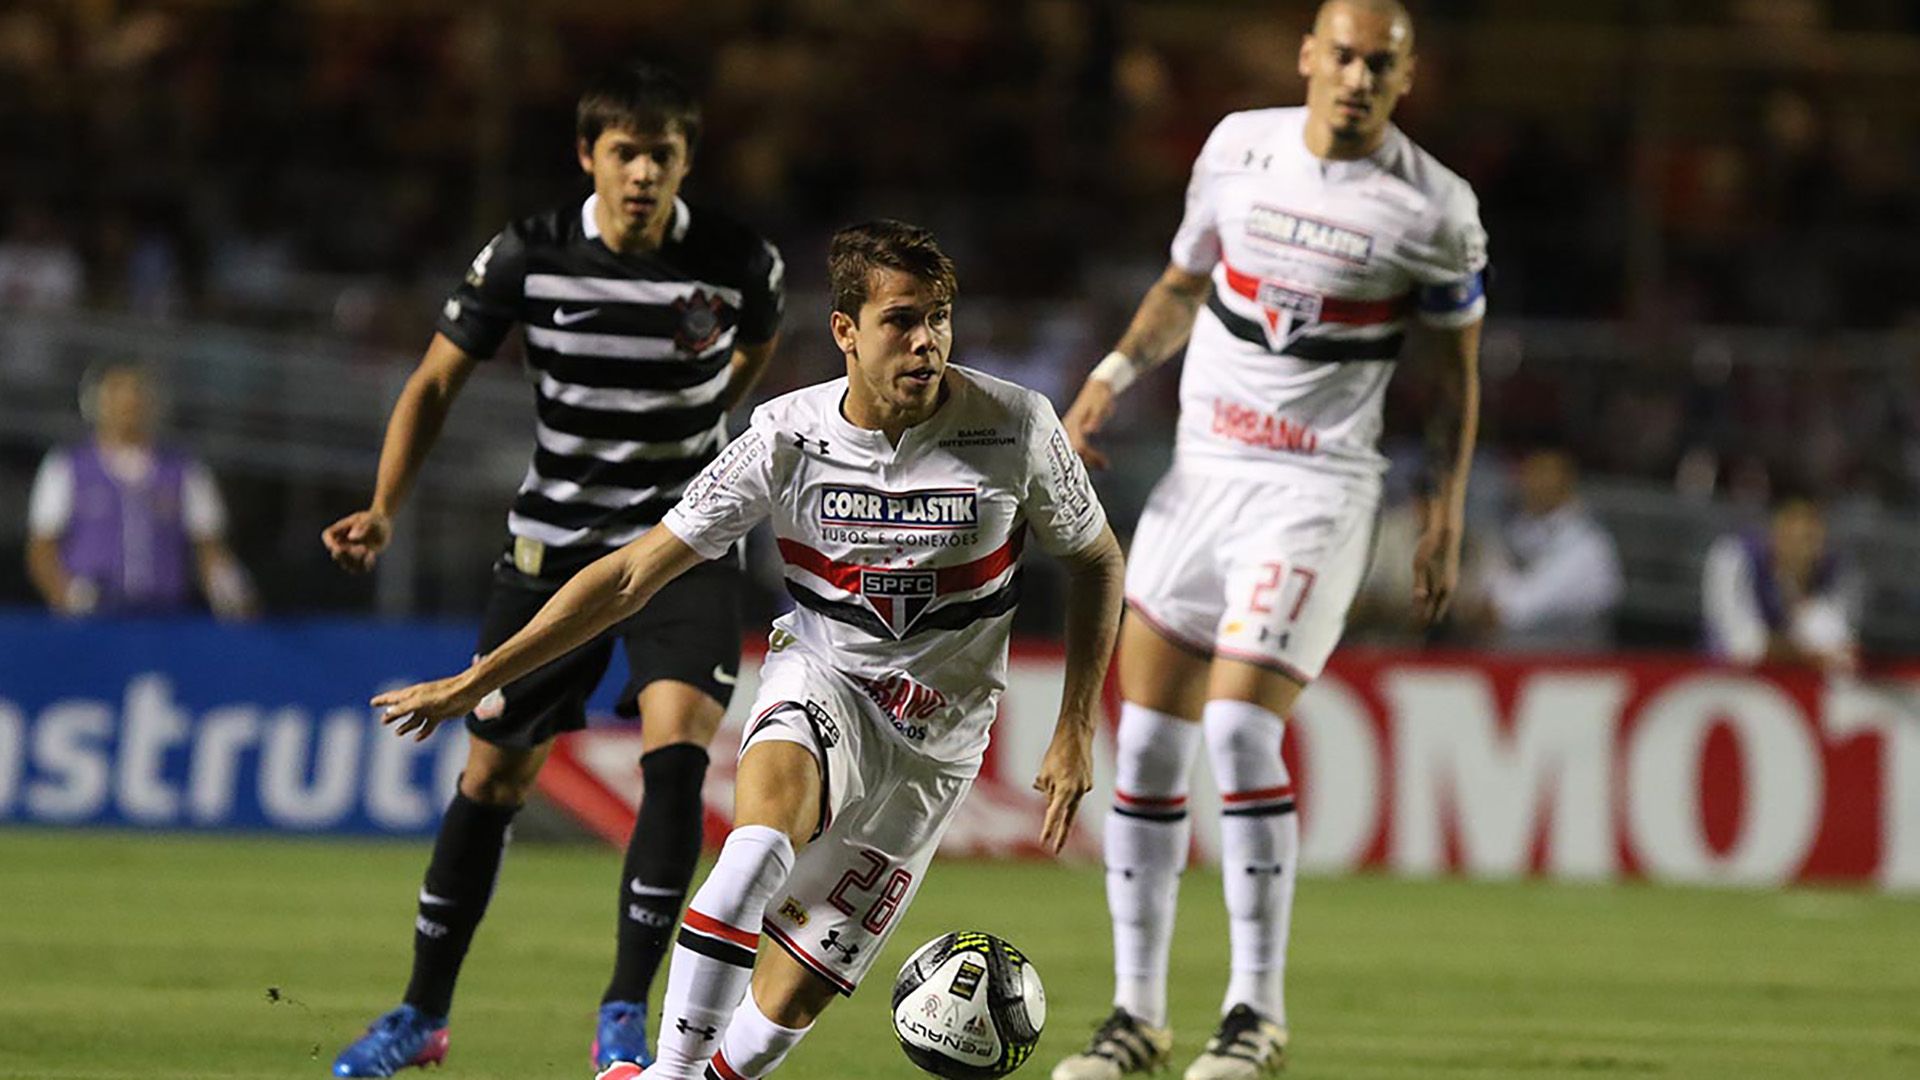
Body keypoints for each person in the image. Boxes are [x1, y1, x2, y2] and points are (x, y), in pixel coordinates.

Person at [370, 220, 1126, 1080]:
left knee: (784, 1008)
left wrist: (1075, 725)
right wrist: (481, 677)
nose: (928, 341)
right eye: (902, 320)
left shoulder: (1017, 425)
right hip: (823, 682)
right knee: (756, 849)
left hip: (939, 747)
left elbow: (1097, 560)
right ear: (845, 330)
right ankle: (669, 1074)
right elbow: (628, 576)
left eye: (941, 317)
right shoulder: (784, 435)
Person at [322, 62, 785, 1077]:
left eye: (662, 155)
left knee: (678, 754)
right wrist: (387, 507)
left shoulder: (738, 260)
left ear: (684, 162)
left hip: (683, 546)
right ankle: (421, 1016)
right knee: (492, 775)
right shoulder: (526, 256)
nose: (642, 173)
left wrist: (699, 440)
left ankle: (627, 1013)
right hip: (550, 546)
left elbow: (755, 350)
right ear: (589, 157)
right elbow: (436, 379)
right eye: (625, 152)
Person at [1052, 1, 1488, 1076]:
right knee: (1147, 745)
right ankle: (1137, 1017)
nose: (1355, 77)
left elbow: (1454, 375)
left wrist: (1444, 510)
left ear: (1404, 77)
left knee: (1240, 733)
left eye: (1377, 65)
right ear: (1309, 55)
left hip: (1316, 490)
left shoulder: (1435, 209)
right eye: (1341, 55)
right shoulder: (1236, 148)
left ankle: (1255, 1016)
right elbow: (1184, 283)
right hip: (1203, 477)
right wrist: (1110, 376)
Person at [26, 363, 255, 619]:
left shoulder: (186, 470)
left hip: (164, 619)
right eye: (118, 392)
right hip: (91, 616)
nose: (129, 403)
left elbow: (210, 549)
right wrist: (65, 595)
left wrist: (232, 591)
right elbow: (42, 549)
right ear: (96, 401)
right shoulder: (66, 466)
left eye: (138, 393)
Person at [1468, 446, 1621, 651]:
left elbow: (1515, 611)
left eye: (1542, 476)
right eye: (1528, 475)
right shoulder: (1518, 529)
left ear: (1565, 483)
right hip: (1514, 656)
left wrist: (1477, 610)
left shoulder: (1589, 546)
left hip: (1575, 665)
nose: (1530, 483)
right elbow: (1485, 591)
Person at [1702, 488, 1859, 673]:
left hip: (1794, 682)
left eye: (1817, 539)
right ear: (1776, 531)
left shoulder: (1834, 570)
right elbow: (1742, 645)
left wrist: (1801, 595)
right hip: (1723, 679)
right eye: (1803, 537)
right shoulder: (1734, 556)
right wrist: (1811, 654)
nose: (1810, 550)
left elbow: (1841, 650)